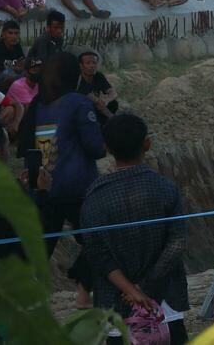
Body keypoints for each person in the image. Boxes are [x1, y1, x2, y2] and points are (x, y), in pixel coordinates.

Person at [81, 113, 191, 342]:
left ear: (107, 148)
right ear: (147, 144)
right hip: (165, 306)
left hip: (116, 309)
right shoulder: (165, 188)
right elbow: (177, 241)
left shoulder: (94, 197)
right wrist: (144, 288)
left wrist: (133, 291)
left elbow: (96, 254)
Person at [16, 51, 106, 298]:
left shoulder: (38, 105)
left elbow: (26, 146)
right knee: (99, 242)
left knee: (39, 249)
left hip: (45, 188)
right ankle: (83, 289)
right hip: (79, 188)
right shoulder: (78, 102)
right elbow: (95, 148)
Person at [77, 50, 119, 123]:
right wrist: (112, 117)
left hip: (96, 107)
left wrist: (107, 100)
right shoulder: (78, 79)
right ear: (81, 65)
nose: (92, 66)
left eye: (94, 63)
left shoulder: (98, 76)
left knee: (113, 103)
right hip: (80, 109)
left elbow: (113, 93)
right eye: (88, 63)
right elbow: (94, 100)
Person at [0, 18, 27, 89]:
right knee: (8, 74)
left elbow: (21, 61)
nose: (14, 36)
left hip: (13, 73)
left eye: (16, 33)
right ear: (3, 34)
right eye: (10, 33)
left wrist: (22, 65)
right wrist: (15, 65)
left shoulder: (17, 46)